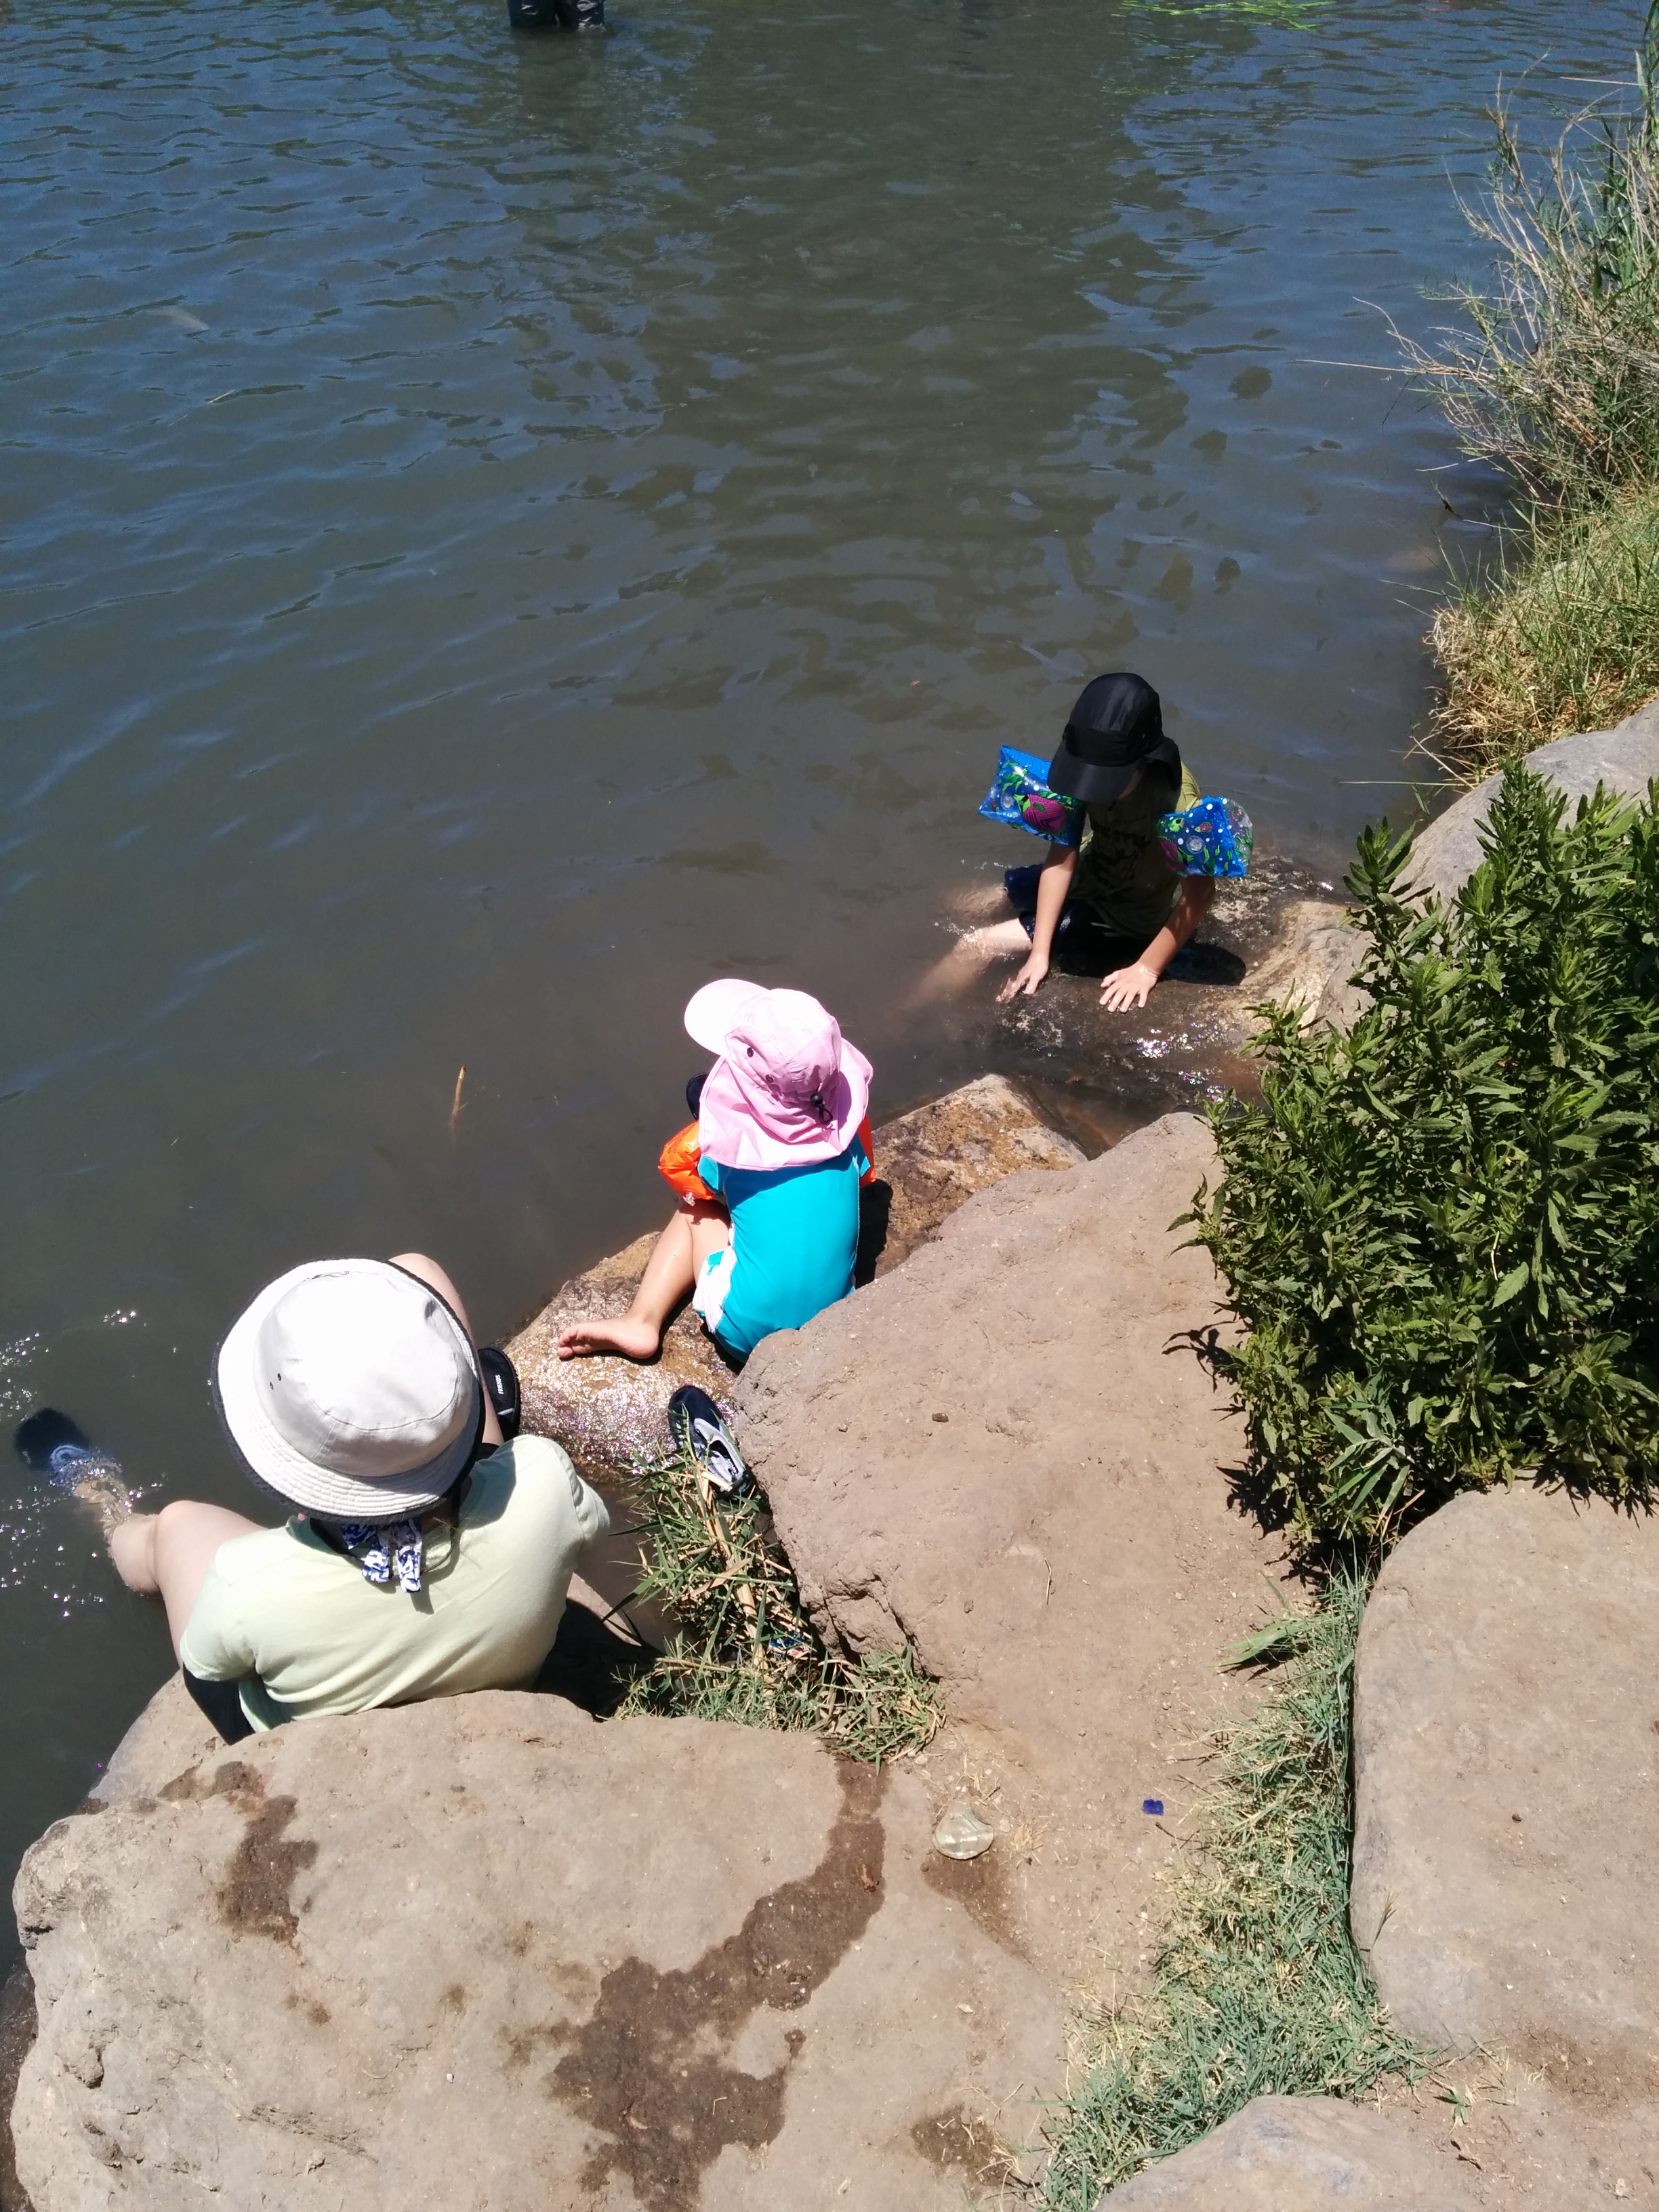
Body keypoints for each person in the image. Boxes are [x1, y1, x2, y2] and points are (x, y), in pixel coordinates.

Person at [102, 1252, 609, 1741]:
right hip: (509, 1667)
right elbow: (591, 1531)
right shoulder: (546, 1477)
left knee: (175, 1524)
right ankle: (467, 1421)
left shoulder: (243, 1586)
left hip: (320, 1728)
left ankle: (102, 1502)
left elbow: (210, 1683)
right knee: (418, 1270)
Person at [556, 981, 872, 1368]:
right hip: (831, 1318)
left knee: (694, 1209)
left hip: (748, 1332)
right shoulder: (845, 1136)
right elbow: (856, 1178)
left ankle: (641, 1322)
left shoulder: (730, 1160)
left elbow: (705, 1191)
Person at [942, 672, 1216, 1012]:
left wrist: (1147, 968)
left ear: (1143, 760)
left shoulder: (1178, 802)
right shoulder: (1085, 766)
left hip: (1119, 915)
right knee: (966, 906)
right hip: (1087, 872)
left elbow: (1200, 895)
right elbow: (1062, 858)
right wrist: (1039, 953)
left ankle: (904, 1019)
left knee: (974, 946)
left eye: (1104, 781)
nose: (1092, 789)